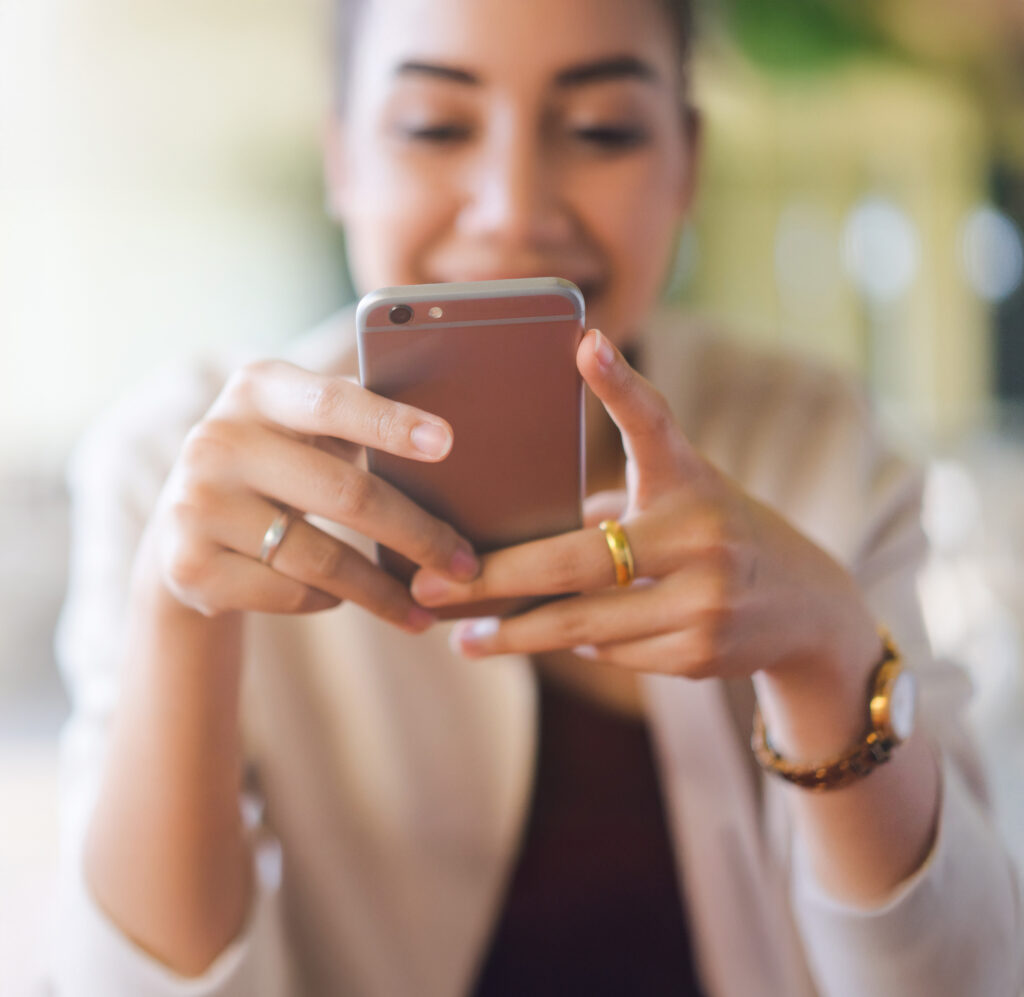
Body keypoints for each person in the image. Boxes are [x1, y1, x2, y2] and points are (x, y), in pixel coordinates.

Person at [50, 0, 1023, 994]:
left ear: (685, 162)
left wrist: (829, 653)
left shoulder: (818, 442)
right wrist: (180, 620)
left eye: (601, 128)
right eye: (436, 127)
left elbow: (966, 976)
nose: (514, 207)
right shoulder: (174, 462)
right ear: (342, 159)